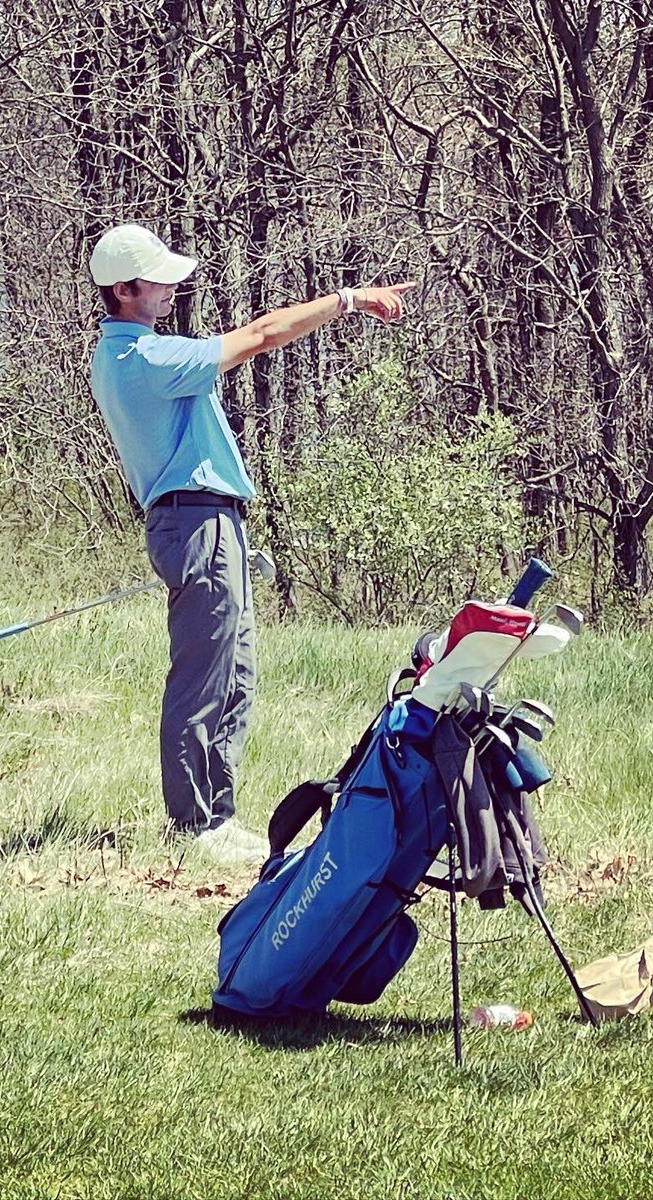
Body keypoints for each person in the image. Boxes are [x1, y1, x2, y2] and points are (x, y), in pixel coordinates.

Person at [89, 224, 413, 862]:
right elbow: (265, 334)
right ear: (123, 290)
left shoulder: (131, 353)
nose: (169, 285)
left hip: (204, 519)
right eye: (155, 277)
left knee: (233, 671)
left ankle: (216, 815)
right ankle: (195, 825)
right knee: (204, 674)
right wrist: (347, 300)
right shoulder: (145, 360)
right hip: (196, 521)